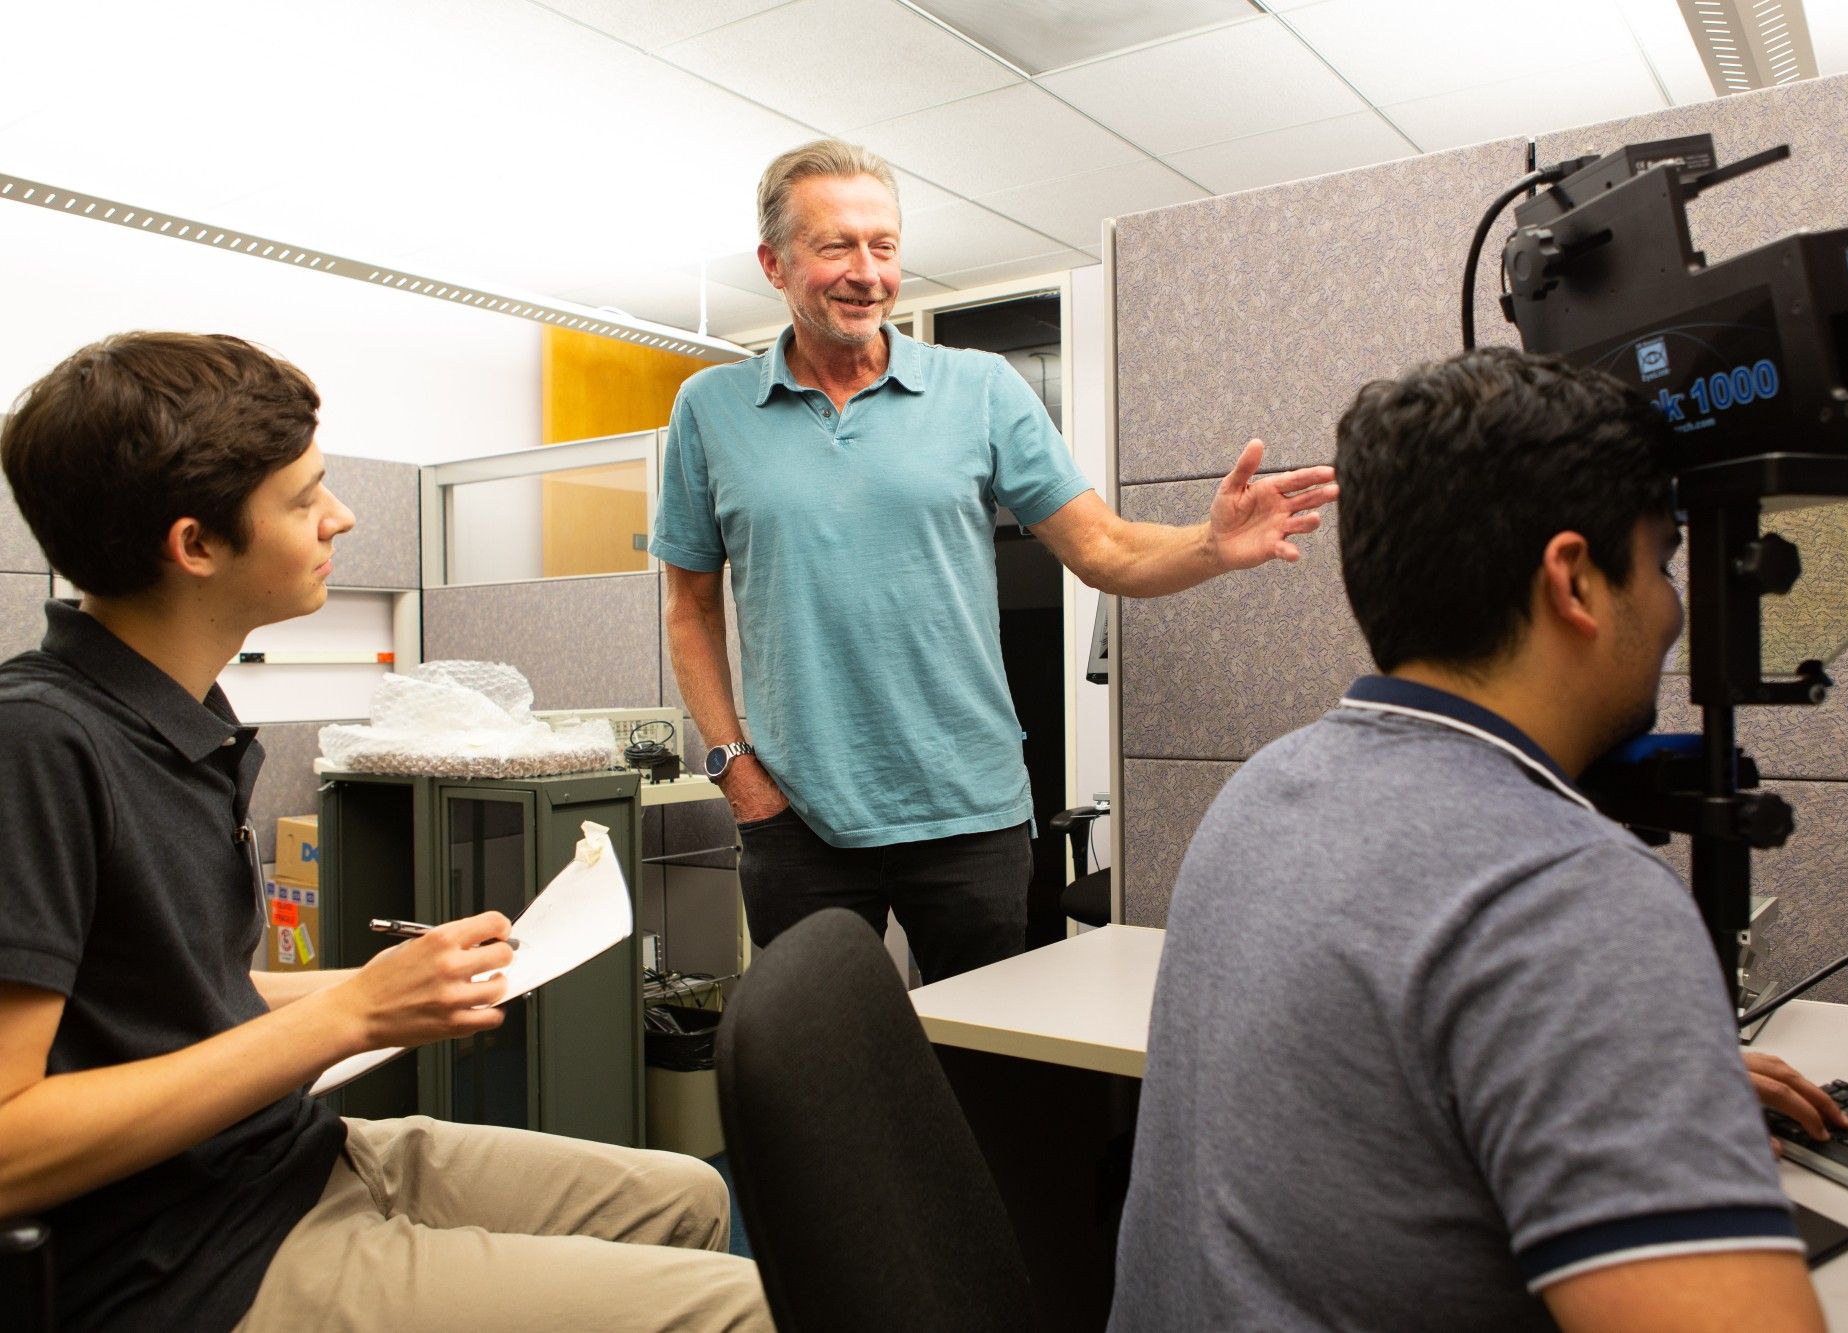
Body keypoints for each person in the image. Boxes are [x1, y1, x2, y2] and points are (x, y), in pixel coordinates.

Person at [0, 333, 771, 1333]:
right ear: (194, 546)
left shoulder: (170, 721)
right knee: (748, 1306)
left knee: (691, 1197)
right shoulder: (39, 745)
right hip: (189, 1261)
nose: (342, 515)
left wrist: (409, 984)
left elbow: (150, 999)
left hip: (287, 1160)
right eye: (302, 497)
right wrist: (350, 1014)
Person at [1110, 347, 1841, 1332]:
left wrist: (1624, 1076)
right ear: (1574, 581)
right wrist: (1625, 1039)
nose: (1674, 607)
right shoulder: (1566, 899)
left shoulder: (1262, 788)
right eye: (1661, 561)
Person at [653, 138, 1338, 981]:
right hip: (796, 818)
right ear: (774, 262)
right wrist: (734, 771)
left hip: (968, 814)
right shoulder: (711, 408)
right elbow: (689, 608)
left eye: (885, 245)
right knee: (820, 1076)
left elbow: (1104, 548)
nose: (867, 272)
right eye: (837, 246)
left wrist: (1209, 545)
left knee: (989, 1079)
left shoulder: (980, 389)